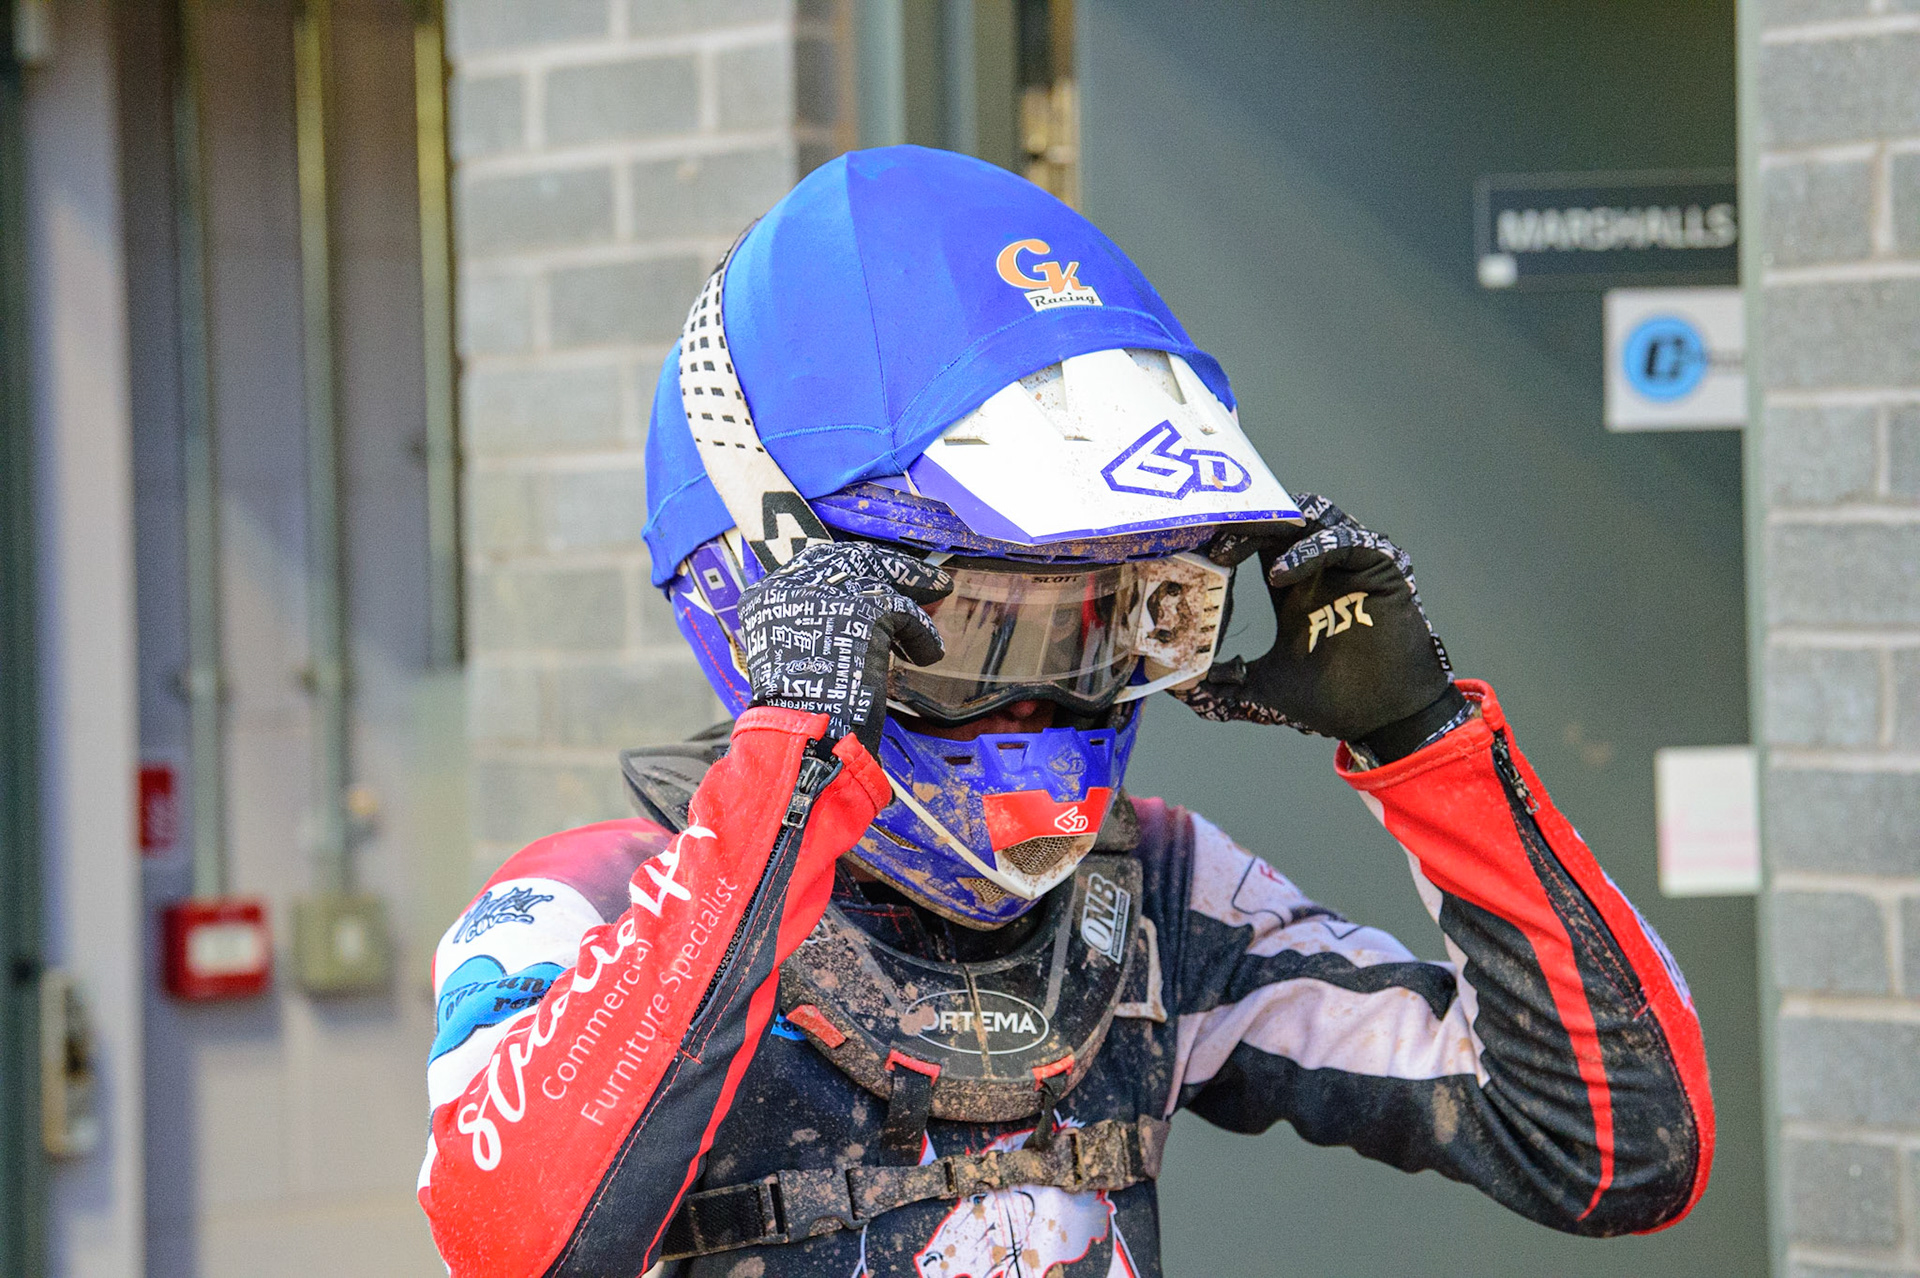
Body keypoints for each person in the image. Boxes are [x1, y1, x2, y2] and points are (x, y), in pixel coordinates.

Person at [417, 146, 1712, 1278]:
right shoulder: (587, 903)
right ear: (783, 589)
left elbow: (1614, 1147)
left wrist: (1423, 744)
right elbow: (515, 1236)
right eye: (980, 633)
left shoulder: (1155, 893)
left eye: (1109, 624)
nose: (1039, 703)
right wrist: (788, 770)